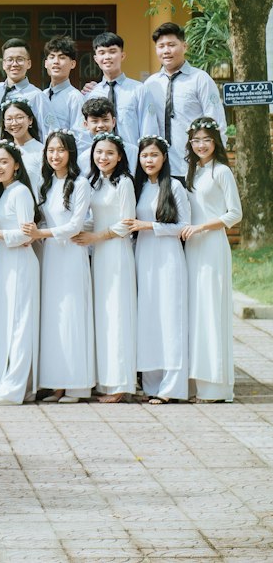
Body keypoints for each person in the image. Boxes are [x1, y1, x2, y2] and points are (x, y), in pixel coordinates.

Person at [25, 130, 94, 404]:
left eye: (61, 150)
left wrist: (40, 234)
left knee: (71, 316)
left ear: (71, 154)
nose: (55, 155)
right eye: (51, 150)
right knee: (52, 318)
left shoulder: (80, 184)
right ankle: (55, 384)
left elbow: (75, 225)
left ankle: (75, 385)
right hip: (49, 256)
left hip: (70, 256)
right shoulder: (46, 184)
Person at [125, 136, 189, 404]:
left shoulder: (174, 186)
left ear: (164, 158)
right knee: (148, 318)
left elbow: (185, 227)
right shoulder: (139, 188)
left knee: (170, 318)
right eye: (144, 156)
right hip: (144, 257)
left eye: (154, 155)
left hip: (168, 258)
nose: (148, 160)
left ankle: (172, 387)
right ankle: (151, 384)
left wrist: (148, 226)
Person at [181, 118, 242, 402]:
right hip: (192, 247)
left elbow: (234, 213)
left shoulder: (221, 172)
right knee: (195, 312)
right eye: (195, 140)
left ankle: (215, 386)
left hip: (212, 246)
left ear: (215, 141)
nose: (201, 145)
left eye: (206, 139)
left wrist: (203, 227)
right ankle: (195, 382)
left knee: (211, 310)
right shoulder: (192, 171)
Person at [75, 134, 136, 403]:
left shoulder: (124, 183)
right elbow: (93, 220)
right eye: (99, 152)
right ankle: (105, 380)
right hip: (99, 254)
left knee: (118, 314)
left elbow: (127, 223)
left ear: (120, 156)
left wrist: (96, 237)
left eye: (110, 153)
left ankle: (121, 383)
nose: (103, 157)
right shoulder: (94, 183)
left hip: (116, 253)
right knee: (102, 315)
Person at [0, 141, 39, 405]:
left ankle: (14, 388)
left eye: (4, 162)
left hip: (20, 263)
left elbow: (28, 236)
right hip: (5, 262)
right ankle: (8, 383)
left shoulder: (21, 192)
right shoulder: (2, 192)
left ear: (16, 165)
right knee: (7, 322)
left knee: (19, 324)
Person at [143, 23, 227, 179]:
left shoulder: (200, 79)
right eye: (161, 46)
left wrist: (212, 164)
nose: (166, 51)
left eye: (171, 45)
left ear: (184, 46)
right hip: (161, 168)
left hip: (196, 166)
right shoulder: (150, 84)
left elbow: (217, 122)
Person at [86, 30, 159, 147]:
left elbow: (148, 129)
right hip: (101, 160)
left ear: (122, 55)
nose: (107, 57)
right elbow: (87, 133)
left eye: (112, 51)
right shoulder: (91, 94)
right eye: (102, 52)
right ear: (95, 58)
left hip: (131, 159)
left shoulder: (139, 90)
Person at [0, 38, 48, 143]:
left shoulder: (37, 96)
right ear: (3, 64)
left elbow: (47, 133)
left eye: (20, 59)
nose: (14, 64)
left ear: (28, 63)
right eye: (10, 60)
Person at [78, 95, 137, 175]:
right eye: (95, 121)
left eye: (105, 120)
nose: (101, 125)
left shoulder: (132, 152)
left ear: (113, 122)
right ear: (86, 124)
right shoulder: (84, 158)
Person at [0, 99, 43, 198]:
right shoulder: (2, 151)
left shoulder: (41, 151)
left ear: (30, 120)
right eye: (9, 119)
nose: (14, 123)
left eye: (19, 117)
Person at [41, 36, 85, 135]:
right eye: (52, 57)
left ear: (73, 64)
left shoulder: (75, 98)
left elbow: (80, 136)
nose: (56, 61)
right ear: (46, 63)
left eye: (62, 57)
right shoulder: (41, 96)